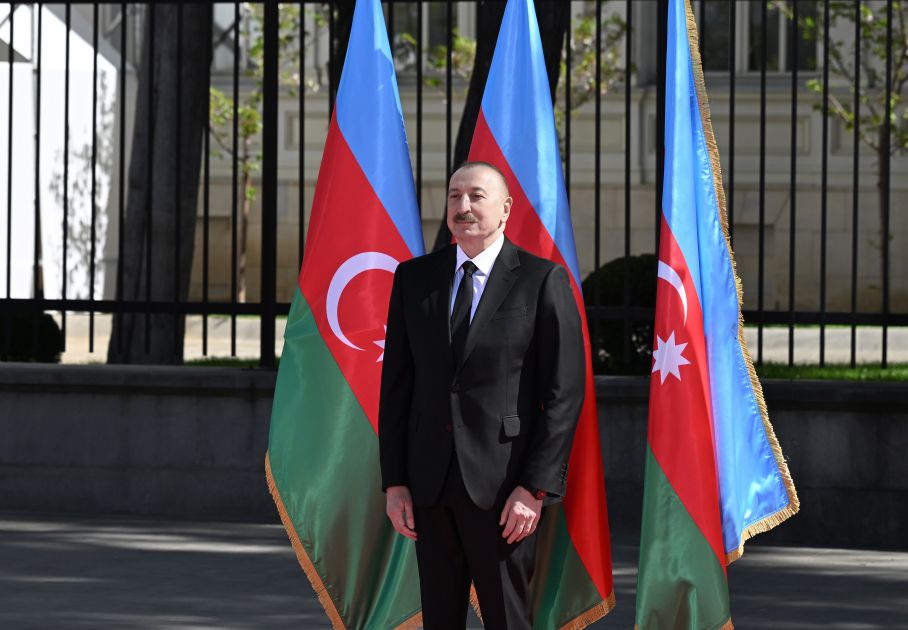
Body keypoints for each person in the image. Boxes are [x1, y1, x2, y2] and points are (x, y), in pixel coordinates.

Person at [378, 161, 585, 629]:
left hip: (504, 489)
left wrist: (534, 488)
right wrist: (395, 482)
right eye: (454, 196)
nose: (463, 206)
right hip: (429, 484)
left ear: (506, 208)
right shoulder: (414, 278)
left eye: (476, 195)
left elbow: (564, 394)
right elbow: (397, 387)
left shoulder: (541, 280)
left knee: (506, 619)